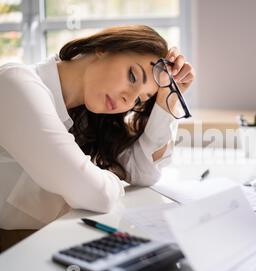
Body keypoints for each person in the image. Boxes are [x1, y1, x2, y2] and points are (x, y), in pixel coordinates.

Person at [0, 25, 195, 251]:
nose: (128, 100)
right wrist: (109, 177)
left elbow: (144, 173)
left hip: (43, 246)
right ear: (104, 48)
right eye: (132, 76)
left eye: (140, 100)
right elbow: (97, 195)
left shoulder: (85, 114)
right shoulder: (14, 84)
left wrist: (167, 98)